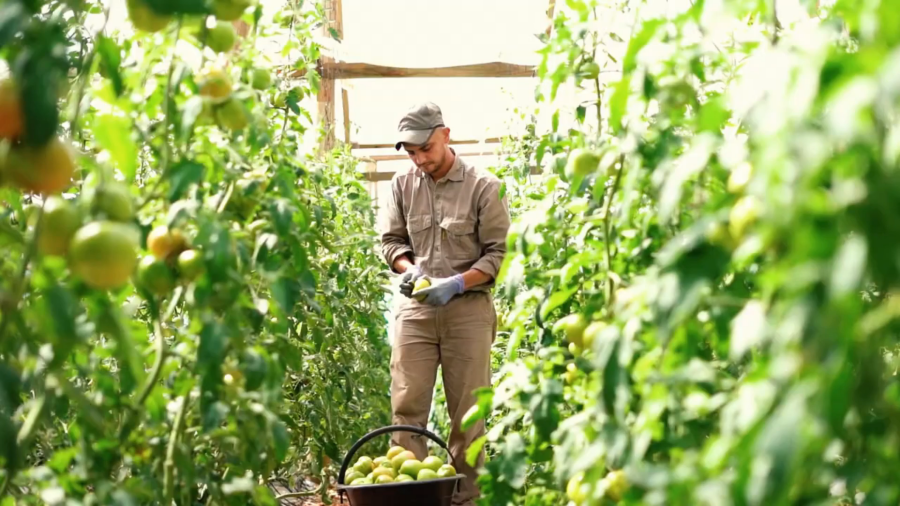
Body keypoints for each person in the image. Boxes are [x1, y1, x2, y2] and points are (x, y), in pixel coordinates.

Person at [379, 102, 511, 505]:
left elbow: (498, 255)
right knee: (406, 409)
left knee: (468, 416)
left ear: (446, 136)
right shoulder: (402, 185)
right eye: (412, 152)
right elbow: (391, 243)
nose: (420, 160)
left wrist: (456, 283)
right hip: (416, 312)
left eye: (426, 149)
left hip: (467, 312)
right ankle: (409, 497)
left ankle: (466, 499)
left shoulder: (483, 187)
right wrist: (407, 270)